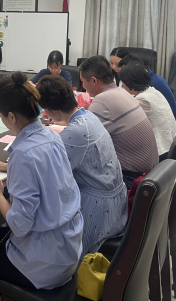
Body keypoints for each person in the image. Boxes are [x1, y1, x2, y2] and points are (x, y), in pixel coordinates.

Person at [0, 72, 83, 300]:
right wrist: (6, 167)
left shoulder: (23, 154)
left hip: (44, 264)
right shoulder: (52, 137)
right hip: (68, 247)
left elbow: (20, 225)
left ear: (11, 116)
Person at [36, 75, 127, 255]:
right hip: (116, 204)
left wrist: (7, 165)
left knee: (42, 230)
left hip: (99, 213)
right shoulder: (89, 116)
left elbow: (46, 173)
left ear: (51, 110)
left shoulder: (76, 132)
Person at [79, 55, 159, 189]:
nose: (82, 86)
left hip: (132, 178)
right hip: (150, 174)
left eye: (82, 81)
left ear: (93, 81)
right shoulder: (121, 92)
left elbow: (84, 140)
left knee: (76, 171)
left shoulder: (102, 100)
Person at [119, 63, 176, 160]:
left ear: (129, 83)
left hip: (161, 152)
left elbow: (124, 118)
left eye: (122, 82)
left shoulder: (143, 100)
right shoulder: (153, 91)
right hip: (171, 144)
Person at [119, 54, 176, 129]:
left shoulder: (143, 98)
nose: (121, 85)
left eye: (123, 82)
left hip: (163, 133)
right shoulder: (151, 90)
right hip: (172, 131)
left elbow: (125, 119)